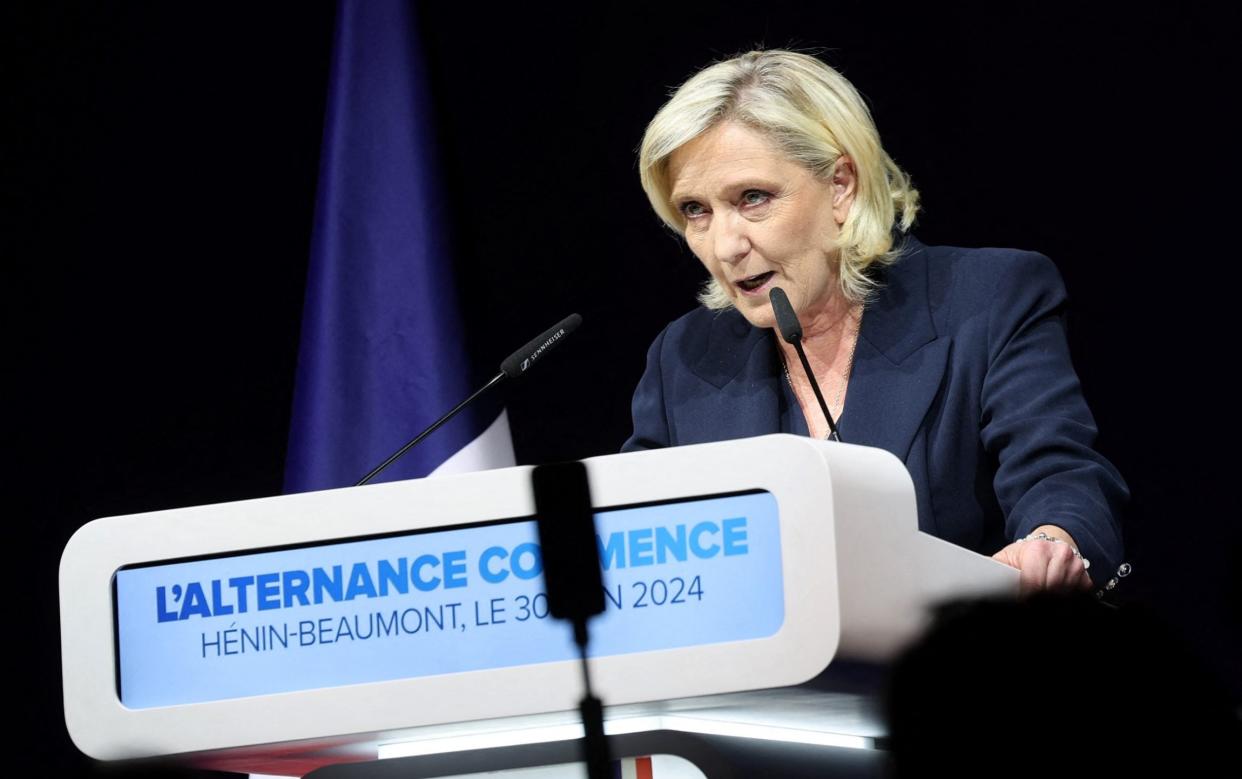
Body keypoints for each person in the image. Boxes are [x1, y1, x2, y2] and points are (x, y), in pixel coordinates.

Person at [622, 50, 1126, 594]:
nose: (725, 246)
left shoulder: (986, 299)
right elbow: (627, 539)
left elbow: (1061, 472)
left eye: (753, 198)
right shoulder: (684, 357)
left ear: (841, 184)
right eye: (696, 210)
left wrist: (1050, 542)